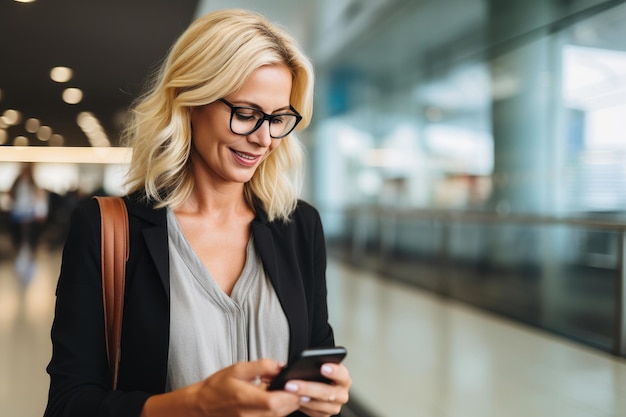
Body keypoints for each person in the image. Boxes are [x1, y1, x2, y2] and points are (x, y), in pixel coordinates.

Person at [43, 8, 351, 417]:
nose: (264, 139)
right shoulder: (106, 228)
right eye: (246, 114)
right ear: (191, 101)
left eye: (279, 119)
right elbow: (69, 404)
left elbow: (314, 360)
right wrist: (195, 404)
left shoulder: (298, 226)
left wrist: (326, 396)